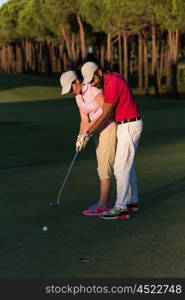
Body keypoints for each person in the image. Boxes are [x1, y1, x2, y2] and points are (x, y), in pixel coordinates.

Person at [79, 61, 143, 220]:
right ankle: (132, 202)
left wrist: (89, 132)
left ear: (99, 72)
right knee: (128, 165)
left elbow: (106, 113)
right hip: (126, 124)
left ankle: (120, 208)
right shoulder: (112, 78)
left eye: (93, 80)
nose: (92, 84)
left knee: (120, 167)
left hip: (129, 124)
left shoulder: (112, 83)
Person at [59, 70, 117, 216]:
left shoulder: (93, 90)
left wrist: (88, 131)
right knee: (102, 166)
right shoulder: (78, 97)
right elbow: (84, 119)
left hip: (108, 128)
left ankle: (103, 204)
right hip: (97, 132)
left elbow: (106, 111)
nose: (71, 91)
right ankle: (104, 201)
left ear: (76, 81)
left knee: (105, 166)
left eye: (71, 87)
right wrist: (80, 137)